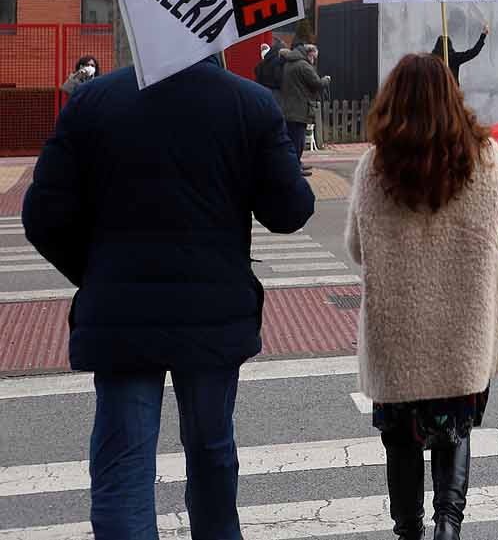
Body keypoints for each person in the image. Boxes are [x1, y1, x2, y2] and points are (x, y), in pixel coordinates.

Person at [23, 54, 313, 537]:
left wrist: (93, 273)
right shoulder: (249, 104)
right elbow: (290, 210)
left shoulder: (93, 101)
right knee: (211, 452)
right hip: (213, 315)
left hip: (121, 316)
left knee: (123, 465)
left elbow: (43, 217)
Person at [348, 54, 498, 540]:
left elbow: (356, 248)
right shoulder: (485, 158)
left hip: (398, 333)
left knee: (401, 444)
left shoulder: (374, 166)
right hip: (463, 331)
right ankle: (449, 525)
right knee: (453, 434)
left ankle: (408, 530)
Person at [280, 41, 329, 167]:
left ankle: (295, 164)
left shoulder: (288, 63)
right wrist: (326, 80)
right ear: (310, 54)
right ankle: (295, 167)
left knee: (292, 138)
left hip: (288, 107)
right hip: (299, 108)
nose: (314, 60)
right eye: (314, 57)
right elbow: (317, 83)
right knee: (298, 140)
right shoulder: (303, 66)